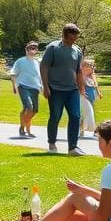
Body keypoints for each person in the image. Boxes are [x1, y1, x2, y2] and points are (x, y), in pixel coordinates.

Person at [40, 22, 85, 156]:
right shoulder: (53, 48)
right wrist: (45, 86)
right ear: (65, 35)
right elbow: (44, 67)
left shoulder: (77, 51)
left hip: (72, 90)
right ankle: (52, 143)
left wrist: (81, 87)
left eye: (75, 38)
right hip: (55, 89)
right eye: (71, 37)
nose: (73, 40)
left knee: (75, 116)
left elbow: (78, 71)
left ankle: (73, 147)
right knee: (55, 116)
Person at [10, 41, 41, 138]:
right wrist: (14, 85)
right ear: (26, 49)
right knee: (29, 107)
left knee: (35, 110)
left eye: (35, 48)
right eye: (31, 47)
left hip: (35, 88)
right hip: (23, 87)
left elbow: (39, 76)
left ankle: (22, 124)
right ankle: (27, 129)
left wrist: (42, 87)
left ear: (36, 50)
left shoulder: (37, 62)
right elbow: (13, 73)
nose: (32, 49)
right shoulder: (20, 61)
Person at [79, 58, 101, 139]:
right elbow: (80, 84)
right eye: (90, 66)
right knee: (89, 113)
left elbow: (95, 85)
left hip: (91, 96)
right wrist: (82, 91)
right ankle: (95, 131)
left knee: (84, 114)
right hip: (84, 96)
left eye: (92, 66)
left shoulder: (92, 75)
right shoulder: (81, 74)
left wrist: (98, 93)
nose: (92, 68)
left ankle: (80, 130)